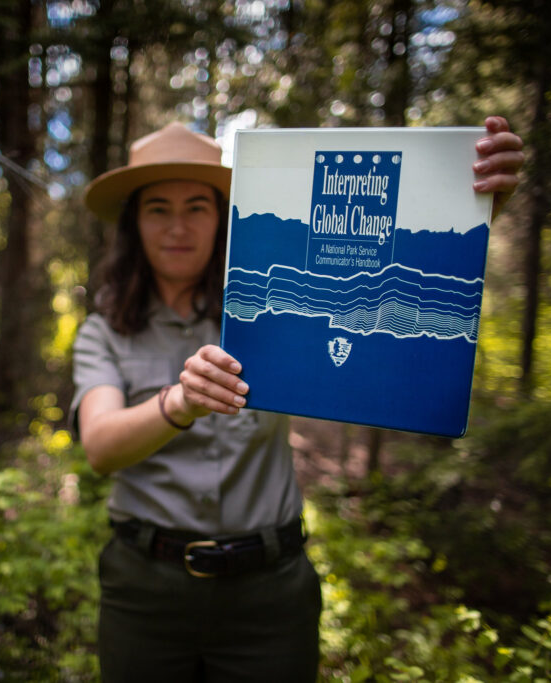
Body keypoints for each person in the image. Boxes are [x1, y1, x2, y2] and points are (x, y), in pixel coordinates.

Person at [70, 118, 524, 682]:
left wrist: (477, 202)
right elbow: (101, 446)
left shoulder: (272, 304)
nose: (178, 226)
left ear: (223, 218)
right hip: (144, 591)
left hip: (271, 595)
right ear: (135, 223)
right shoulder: (104, 331)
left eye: (198, 207)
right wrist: (180, 402)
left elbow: (381, 263)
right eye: (158, 208)